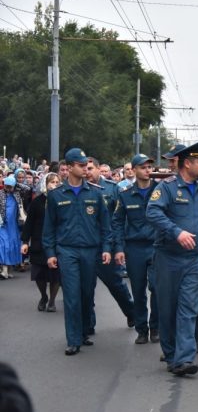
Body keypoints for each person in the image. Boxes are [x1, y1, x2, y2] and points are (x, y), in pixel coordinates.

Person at [146, 141, 198, 376]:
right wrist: (177, 232)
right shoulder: (168, 188)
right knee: (168, 308)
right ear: (187, 164)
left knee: (188, 309)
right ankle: (171, 355)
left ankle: (184, 358)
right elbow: (152, 212)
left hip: (193, 260)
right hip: (168, 257)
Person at [43, 148, 113, 356]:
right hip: (67, 251)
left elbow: (105, 225)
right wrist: (50, 253)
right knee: (72, 295)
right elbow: (49, 228)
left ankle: (83, 331)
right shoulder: (56, 195)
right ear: (70, 167)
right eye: (81, 165)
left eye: (86, 165)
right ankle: (73, 339)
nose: (85, 169)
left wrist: (107, 248)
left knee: (86, 293)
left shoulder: (95, 192)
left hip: (90, 251)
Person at [112, 154, 160, 344]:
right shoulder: (125, 194)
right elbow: (117, 222)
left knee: (156, 288)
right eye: (143, 167)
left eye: (150, 167)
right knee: (138, 290)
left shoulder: (160, 191)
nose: (148, 170)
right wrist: (119, 248)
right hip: (134, 248)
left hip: (157, 246)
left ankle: (155, 327)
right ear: (134, 169)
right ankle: (142, 329)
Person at [85, 157, 134, 333]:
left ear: (99, 169)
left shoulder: (112, 189)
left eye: (90, 168)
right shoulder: (80, 189)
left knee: (115, 284)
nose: (87, 172)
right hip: (86, 245)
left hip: (107, 245)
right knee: (86, 288)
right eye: (85, 168)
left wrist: (117, 246)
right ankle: (88, 325)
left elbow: (118, 220)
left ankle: (131, 312)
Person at [21, 173, 61, 311]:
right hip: (39, 242)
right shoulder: (37, 202)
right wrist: (25, 241)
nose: (54, 184)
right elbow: (29, 223)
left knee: (55, 275)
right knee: (39, 274)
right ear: (45, 183)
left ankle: (52, 301)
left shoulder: (62, 200)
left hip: (56, 243)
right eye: (52, 182)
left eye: (57, 182)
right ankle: (43, 296)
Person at [0, 176, 24, 279]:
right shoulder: (0, 193)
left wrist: (15, 183)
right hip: (2, 224)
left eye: (10, 186)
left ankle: (9, 270)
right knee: (4, 244)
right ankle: (4, 270)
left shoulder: (17, 194)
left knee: (13, 245)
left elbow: (27, 188)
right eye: (6, 185)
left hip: (14, 224)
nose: (8, 188)